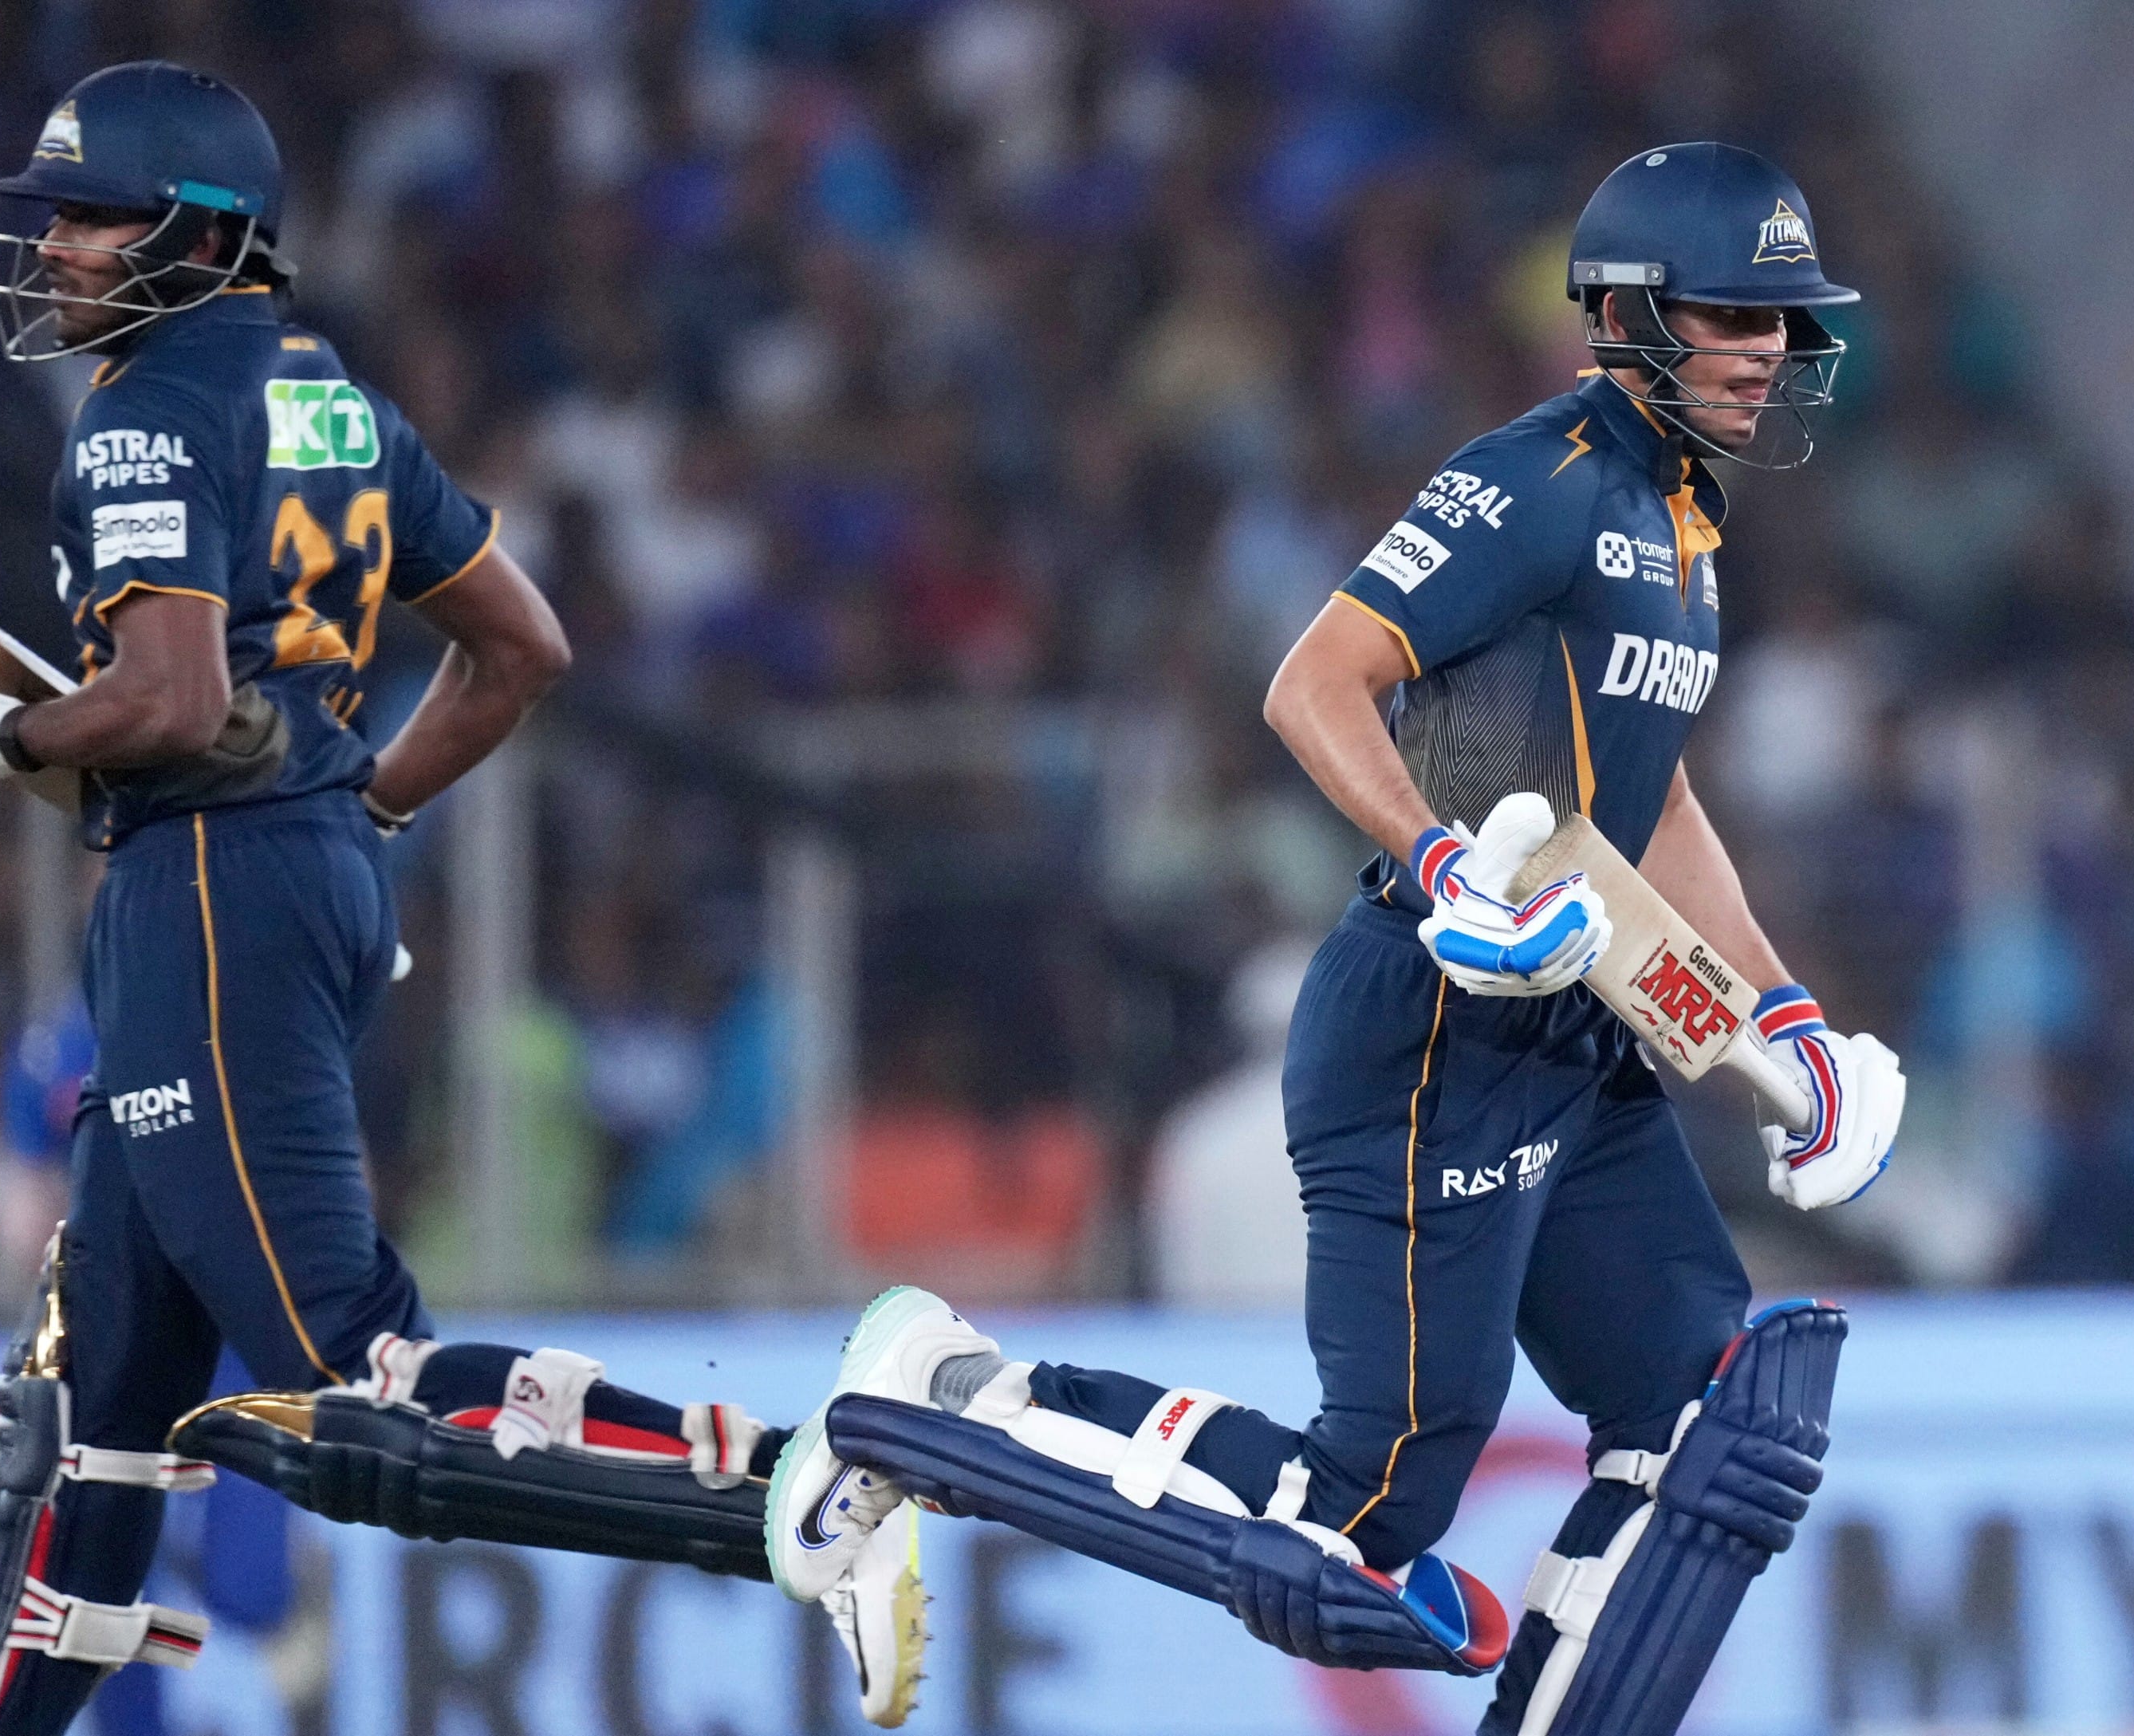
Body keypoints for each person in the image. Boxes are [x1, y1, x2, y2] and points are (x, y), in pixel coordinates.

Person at [764, 144, 1905, 1735]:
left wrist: (1783, 1015)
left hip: (1566, 1043)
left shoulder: (1683, 526)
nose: (1769, 350)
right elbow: (1313, 681)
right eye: (1734, 314)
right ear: (1629, 313)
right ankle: (942, 1401)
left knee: (1719, 1416)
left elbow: (1646, 797)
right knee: (1353, 1536)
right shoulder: (1543, 478)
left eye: (1786, 322)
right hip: (1437, 1028)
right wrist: (1448, 868)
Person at [0, 64, 920, 1736]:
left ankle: (793, 1482)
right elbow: (522, 651)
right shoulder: (326, 393)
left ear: (198, 236)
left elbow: (177, 701)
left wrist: (2, 731)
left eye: (89, 213)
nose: (52, 247)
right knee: (92, 1408)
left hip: (207, 889)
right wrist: (353, 812)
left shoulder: (143, 407)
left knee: (354, 1386)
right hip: (283, 878)